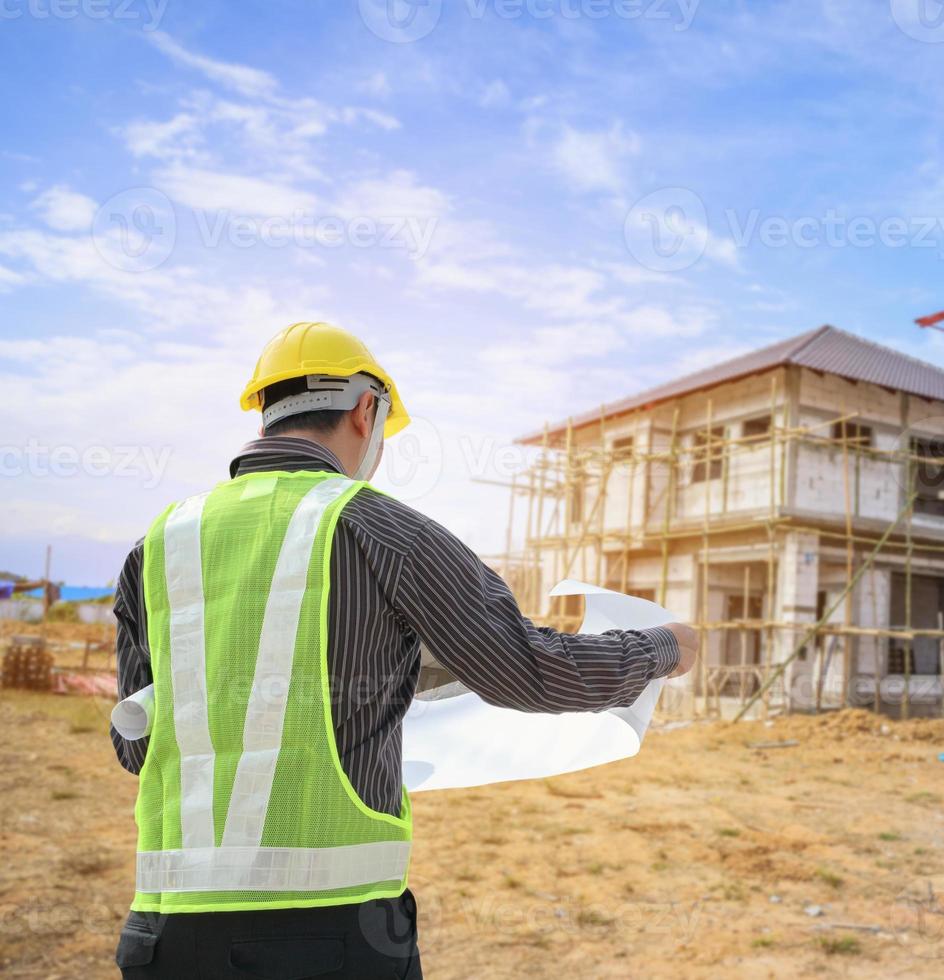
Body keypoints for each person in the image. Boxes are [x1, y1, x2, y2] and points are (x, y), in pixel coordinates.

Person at [109, 321, 698, 978]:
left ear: (266, 412)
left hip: (163, 936)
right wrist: (662, 647)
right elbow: (531, 670)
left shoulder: (157, 547)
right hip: (328, 935)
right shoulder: (384, 532)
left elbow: (139, 747)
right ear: (367, 410)